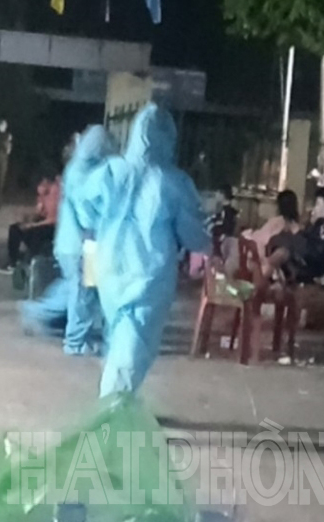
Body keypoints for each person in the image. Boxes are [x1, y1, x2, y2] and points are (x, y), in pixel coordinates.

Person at [76, 103, 210, 397]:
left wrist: (100, 226)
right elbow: (192, 232)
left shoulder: (112, 171)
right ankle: (112, 407)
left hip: (110, 269)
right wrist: (205, 246)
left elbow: (85, 206)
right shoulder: (173, 182)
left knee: (120, 338)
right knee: (133, 347)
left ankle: (119, 400)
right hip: (148, 275)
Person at [20, 126, 116, 353]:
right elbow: (90, 213)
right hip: (81, 244)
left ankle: (38, 313)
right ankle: (75, 340)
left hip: (74, 244)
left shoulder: (79, 169)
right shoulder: (85, 173)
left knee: (77, 288)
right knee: (81, 292)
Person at [265, 186, 324, 284]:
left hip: (319, 275)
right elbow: (306, 239)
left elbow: (318, 255)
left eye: (318, 204)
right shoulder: (321, 223)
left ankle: (261, 279)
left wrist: (296, 232)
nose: (315, 208)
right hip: (304, 265)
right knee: (282, 250)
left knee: (282, 254)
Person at [0, 175, 59, 274]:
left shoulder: (55, 195)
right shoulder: (42, 195)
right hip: (43, 221)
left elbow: (52, 219)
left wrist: (33, 225)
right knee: (15, 229)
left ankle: (31, 260)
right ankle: (13, 261)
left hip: (53, 226)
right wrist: (27, 219)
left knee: (36, 232)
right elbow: (39, 212)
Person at [241, 189, 300, 267]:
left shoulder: (276, 222)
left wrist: (251, 234)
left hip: (266, 260)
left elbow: (260, 239)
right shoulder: (297, 227)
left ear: (279, 206)